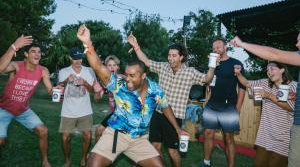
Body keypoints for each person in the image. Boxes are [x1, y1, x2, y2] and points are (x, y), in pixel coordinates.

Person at [77, 24, 189, 167]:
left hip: (139, 140)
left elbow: (165, 106)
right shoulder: (119, 84)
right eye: (126, 74)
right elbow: (99, 67)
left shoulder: (155, 90)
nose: (127, 78)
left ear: (143, 76)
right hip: (116, 135)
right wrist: (88, 43)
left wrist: (178, 129)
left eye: (132, 75)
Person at [127, 34, 215, 167]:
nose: (170, 58)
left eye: (174, 55)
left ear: (181, 57)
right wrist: (136, 46)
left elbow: (207, 79)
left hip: (175, 117)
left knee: (173, 151)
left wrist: (212, 65)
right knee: (155, 147)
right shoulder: (163, 67)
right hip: (158, 113)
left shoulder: (190, 72)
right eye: (169, 55)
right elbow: (146, 61)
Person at [230, 34, 300, 167]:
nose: (269, 71)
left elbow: (292, 108)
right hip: (264, 137)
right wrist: (239, 74)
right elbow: (247, 84)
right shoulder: (265, 83)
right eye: (267, 69)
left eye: (272, 68)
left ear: (282, 70)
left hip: (283, 140)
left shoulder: (293, 86)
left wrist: (268, 96)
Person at [0, 35, 52, 167]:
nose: (37, 54)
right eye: (33, 51)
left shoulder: (43, 71)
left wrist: (57, 90)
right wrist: (13, 47)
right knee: (1, 141)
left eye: (39, 52)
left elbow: (50, 89)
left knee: (43, 131)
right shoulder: (17, 66)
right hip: (4, 109)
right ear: (26, 54)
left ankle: (45, 161)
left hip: (23, 110)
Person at [201, 38, 246, 167]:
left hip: (229, 107)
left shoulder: (236, 63)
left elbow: (242, 87)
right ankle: (206, 163)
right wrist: (213, 66)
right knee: (208, 133)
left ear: (225, 47)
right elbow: (207, 83)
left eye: (218, 47)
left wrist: (238, 108)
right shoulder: (212, 65)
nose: (216, 50)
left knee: (229, 139)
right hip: (212, 105)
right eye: (214, 48)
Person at [57, 47, 96, 167]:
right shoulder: (64, 71)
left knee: (87, 135)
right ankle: (67, 160)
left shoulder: (89, 71)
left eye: (80, 58)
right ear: (70, 58)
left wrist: (84, 82)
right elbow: (59, 87)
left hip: (85, 110)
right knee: (65, 138)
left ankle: (84, 158)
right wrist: (66, 80)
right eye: (75, 59)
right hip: (68, 110)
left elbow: (93, 91)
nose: (78, 61)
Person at [95, 55, 123, 142]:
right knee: (99, 131)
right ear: (106, 67)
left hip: (124, 114)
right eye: (109, 65)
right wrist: (97, 92)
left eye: (114, 65)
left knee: (115, 138)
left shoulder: (123, 79)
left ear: (118, 67)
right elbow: (97, 99)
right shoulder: (104, 81)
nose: (112, 67)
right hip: (115, 113)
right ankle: (97, 154)